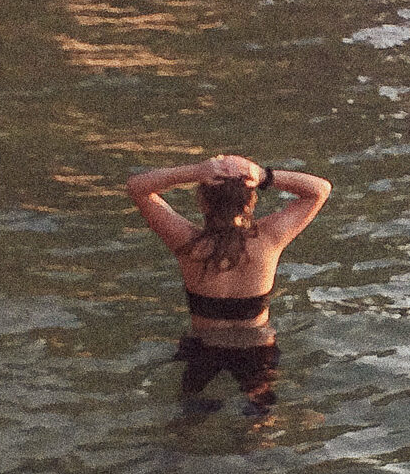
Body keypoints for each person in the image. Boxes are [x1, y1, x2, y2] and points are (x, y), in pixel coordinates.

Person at [127, 154, 332, 410]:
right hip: (255, 349)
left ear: (203, 203)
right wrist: (264, 175)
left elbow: (137, 187)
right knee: (261, 417)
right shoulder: (268, 241)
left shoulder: (188, 244)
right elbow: (320, 189)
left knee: (190, 416)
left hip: (204, 347)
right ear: (250, 203)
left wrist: (194, 171)